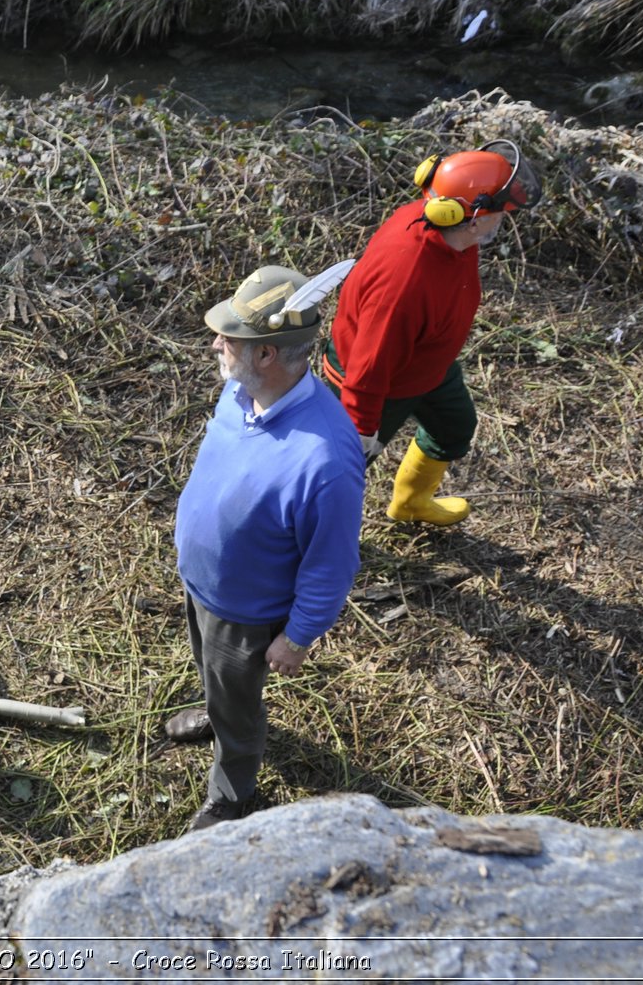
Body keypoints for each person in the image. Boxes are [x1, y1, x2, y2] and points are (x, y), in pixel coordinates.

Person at [166, 265, 366, 832]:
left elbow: (332, 564)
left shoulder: (325, 459)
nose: (215, 344)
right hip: (201, 584)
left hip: (246, 613)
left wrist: (298, 637)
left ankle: (233, 788)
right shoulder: (239, 391)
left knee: (238, 700)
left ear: (268, 355)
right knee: (209, 669)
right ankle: (215, 707)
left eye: (229, 339)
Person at [324, 139, 541, 525]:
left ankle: (410, 504)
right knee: (339, 474)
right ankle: (309, 546)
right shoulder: (404, 283)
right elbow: (368, 366)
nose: (503, 220)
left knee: (454, 428)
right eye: (501, 213)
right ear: (473, 218)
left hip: (428, 364)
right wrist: (359, 434)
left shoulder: (454, 233)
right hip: (376, 383)